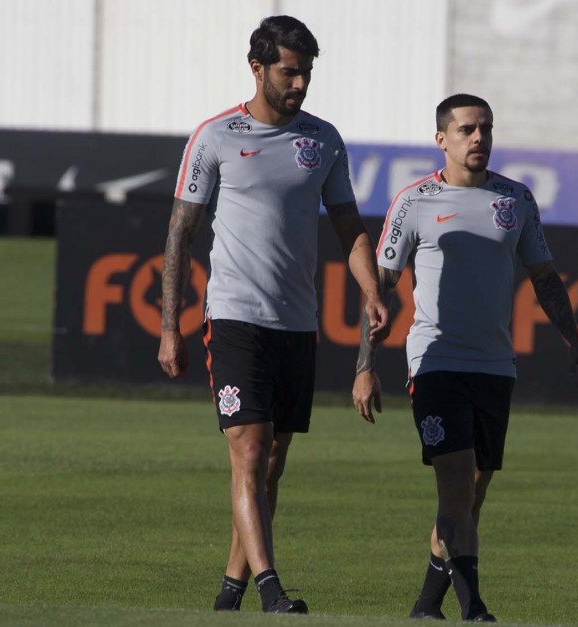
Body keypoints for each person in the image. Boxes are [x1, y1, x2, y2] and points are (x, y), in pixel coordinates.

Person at [158, 15, 388, 615]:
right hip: (235, 319)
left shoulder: (323, 140)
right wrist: (169, 327)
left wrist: (373, 291)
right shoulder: (214, 137)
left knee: (272, 467)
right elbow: (180, 235)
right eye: (289, 71)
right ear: (257, 68)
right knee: (250, 452)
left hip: (297, 323)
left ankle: (230, 593)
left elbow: (349, 229)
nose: (300, 83)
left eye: (307, 72)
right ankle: (271, 590)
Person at [352, 93, 578, 622]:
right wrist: (365, 367)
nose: (478, 137)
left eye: (485, 128)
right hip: (436, 363)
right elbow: (381, 291)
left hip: (494, 366)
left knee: (469, 497)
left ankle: (424, 607)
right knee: (457, 485)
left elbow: (545, 279)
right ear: (442, 139)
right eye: (466, 129)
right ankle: (474, 607)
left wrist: (574, 340)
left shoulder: (516, 200)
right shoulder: (413, 202)